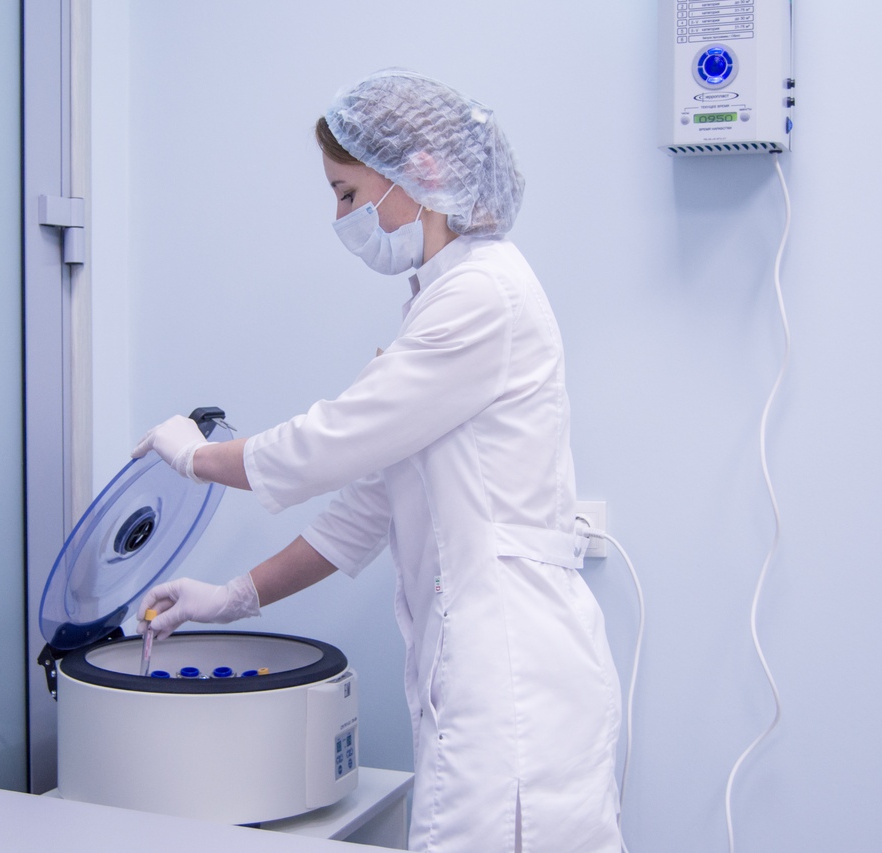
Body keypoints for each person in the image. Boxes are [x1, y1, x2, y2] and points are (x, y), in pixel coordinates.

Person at [131, 69, 622, 853]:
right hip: (485, 674)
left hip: (514, 680)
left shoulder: (483, 296)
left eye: (347, 193)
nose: (341, 218)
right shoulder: (440, 304)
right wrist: (228, 597)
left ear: (417, 173)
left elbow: (324, 444)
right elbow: (363, 510)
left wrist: (195, 457)